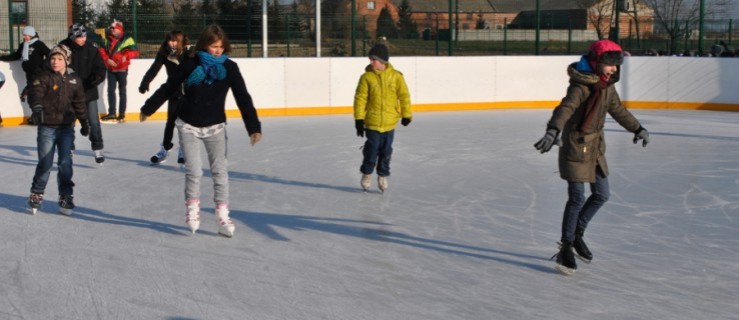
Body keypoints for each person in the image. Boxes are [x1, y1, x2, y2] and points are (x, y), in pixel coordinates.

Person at [533, 39, 650, 275]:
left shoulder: (607, 86)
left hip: (595, 148)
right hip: (575, 147)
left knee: (602, 195)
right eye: (610, 64)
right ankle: (566, 246)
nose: (615, 69)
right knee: (576, 198)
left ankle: (577, 234)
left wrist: (637, 128)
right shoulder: (581, 86)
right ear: (597, 63)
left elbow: (618, 110)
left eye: (617, 65)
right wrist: (553, 130)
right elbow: (565, 108)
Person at [140, 24, 262, 237]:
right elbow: (169, 87)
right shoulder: (190, 63)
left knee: (220, 172)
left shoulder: (230, 68)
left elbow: (243, 97)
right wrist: (148, 108)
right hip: (188, 125)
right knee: (194, 171)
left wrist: (253, 127)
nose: (218, 51)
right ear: (205, 45)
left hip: (215, 127)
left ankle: (222, 215)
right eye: (214, 46)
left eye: (221, 47)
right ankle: (193, 210)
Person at [26, 44, 90, 215]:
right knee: (45, 163)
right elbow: (35, 93)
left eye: (60, 59)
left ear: (67, 61)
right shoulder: (44, 76)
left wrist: (84, 122)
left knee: (65, 163)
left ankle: (65, 196)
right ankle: (37, 193)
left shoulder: (74, 80)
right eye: (53, 58)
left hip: (66, 128)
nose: (55, 62)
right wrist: (37, 108)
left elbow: (79, 103)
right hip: (47, 127)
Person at [353, 43, 412, 193]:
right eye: (370, 59)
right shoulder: (366, 77)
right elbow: (360, 99)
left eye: (373, 59)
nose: (371, 62)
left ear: (382, 61)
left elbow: (404, 96)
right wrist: (359, 120)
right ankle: (367, 173)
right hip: (372, 122)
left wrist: (406, 114)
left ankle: (382, 175)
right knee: (372, 150)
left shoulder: (396, 76)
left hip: (389, 122)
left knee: (386, 151)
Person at [139, 30, 191, 165]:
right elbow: (154, 68)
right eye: (170, 40)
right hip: (173, 90)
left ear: (181, 41)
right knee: (171, 121)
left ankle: (183, 149)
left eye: (175, 41)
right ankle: (165, 148)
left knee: (184, 123)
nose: (172, 43)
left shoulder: (189, 53)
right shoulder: (164, 53)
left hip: (189, 92)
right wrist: (145, 82)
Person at [59, 23, 108, 164]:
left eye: (84, 36)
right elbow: (54, 65)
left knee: (93, 121)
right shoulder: (62, 48)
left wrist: (97, 78)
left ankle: (98, 148)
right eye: (80, 37)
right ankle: (69, 148)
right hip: (69, 93)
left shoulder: (91, 49)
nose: (83, 39)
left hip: (88, 91)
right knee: (69, 122)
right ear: (72, 36)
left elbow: (100, 68)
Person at [0, 25, 50, 125]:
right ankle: (36, 116)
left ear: (31, 35)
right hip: (29, 74)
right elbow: (16, 56)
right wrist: (1, 58)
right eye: (24, 35)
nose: (24, 37)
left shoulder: (39, 44)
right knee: (32, 96)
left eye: (26, 35)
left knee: (35, 95)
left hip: (39, 74)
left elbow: (49, 54)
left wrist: (43, 66)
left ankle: (38, 117)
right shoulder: (24, 45)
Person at [99, 19, 139, 122]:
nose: (111, 29)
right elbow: (101, 50)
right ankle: (112, 113)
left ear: (119, 29)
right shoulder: (107, 39)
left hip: (122, 69)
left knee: (122, 91)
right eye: (111, 28)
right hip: (111, 69)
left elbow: (135, 52)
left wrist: (126, 56)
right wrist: (107, 59)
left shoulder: (128, 39)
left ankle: (121, 114)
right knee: (110, 91)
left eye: (114, 28)